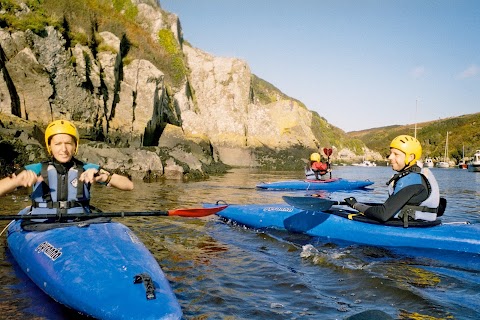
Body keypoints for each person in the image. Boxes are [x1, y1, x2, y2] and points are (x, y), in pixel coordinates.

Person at [0, 120, 133, 216]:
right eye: (58, 144)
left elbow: (128, 185)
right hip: (41, 226)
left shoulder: (88, 168)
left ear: (75, 146)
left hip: (79, 224)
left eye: (68, 143)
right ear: (50, 147)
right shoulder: (36, 168)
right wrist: (16, 181)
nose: (63, 149)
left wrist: (104, 177)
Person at [343, 135, 444, 224]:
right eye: (391, 153)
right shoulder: (418, 175)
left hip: (414, 229)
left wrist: (355, 205)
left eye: (396, 154)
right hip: (422, 224)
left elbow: (383, 214)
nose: (390, 157)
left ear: (410, 157)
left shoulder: (411, 180)